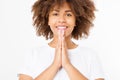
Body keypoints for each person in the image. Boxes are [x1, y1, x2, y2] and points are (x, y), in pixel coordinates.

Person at [18, 0, 105, 80]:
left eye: (68, 14)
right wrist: (55, 65)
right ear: (47, 19)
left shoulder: (90, 56)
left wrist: (67, 65)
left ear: (76, 21)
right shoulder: (33, 54)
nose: (61, 20)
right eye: (55, 14)